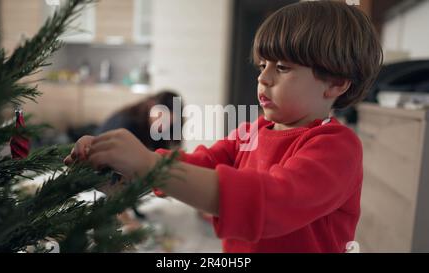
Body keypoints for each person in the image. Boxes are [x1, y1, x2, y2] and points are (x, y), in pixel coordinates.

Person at [64, 1, 383, 253]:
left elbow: (270, 202)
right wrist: (124, 175)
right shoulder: (253, 131)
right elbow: (197, 164)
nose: (263, 78)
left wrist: (148, 165)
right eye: (263, 65)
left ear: (336, 83)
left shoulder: (336, 147)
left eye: (283, 68)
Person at [95, 90, 183, 219]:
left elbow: (163, 160)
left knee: (152, 173)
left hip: (122, 164)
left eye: (168, 122)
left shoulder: (158, 127)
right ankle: (116, 211)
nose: (163, 125)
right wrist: (126, 220)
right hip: (100, 165)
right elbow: (114, 167)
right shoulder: (128, 123)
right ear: (151, 105)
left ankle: (128, 206)